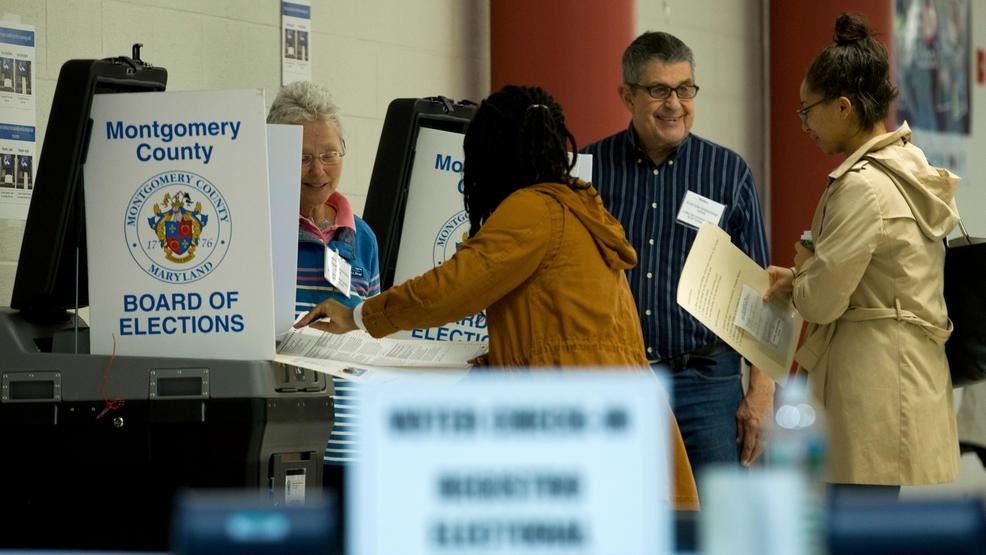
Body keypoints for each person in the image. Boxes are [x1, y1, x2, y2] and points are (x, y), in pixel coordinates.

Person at [296, 84, 700, 509]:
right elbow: (562, 322)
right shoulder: (578, 210)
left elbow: (451, 289)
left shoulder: (533, 210)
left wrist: (358, 316)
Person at [763, 12, 960, 497]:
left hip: (868, 399)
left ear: (844, 106)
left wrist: (805, 272)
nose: (804, 124)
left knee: (856, 531)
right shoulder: (909, 168)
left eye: (807, 110)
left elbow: (821, 302)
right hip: (903, 384)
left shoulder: (863, 187)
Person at [581, 31, 774, 477]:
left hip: (706, 384)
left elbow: (760, 293)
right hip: (618, 380)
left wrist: (761, 393)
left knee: (717, 530)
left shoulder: (728, 172)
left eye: (684, 89)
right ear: (627, 96)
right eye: (659, 90)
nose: (675, 104)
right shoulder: (589, 171)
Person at [266, 81, 381, 535]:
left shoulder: (362, 237)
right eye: (302, 156)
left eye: (330, 153)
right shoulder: (260, 228)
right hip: (284, 439)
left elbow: (373, 332)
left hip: (351, 444)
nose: (318, 170)